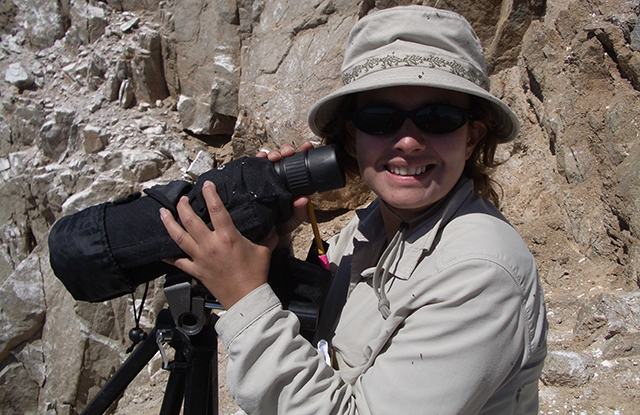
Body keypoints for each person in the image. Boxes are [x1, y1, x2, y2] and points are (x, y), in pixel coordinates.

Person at [159, 5, 547, 415]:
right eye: (380, 118)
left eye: (438, 117)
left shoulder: (479, 274)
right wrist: (275, 249)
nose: (409, 142)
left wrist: (244, 299)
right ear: (352, 135)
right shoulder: (370, 230)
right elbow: (321, 350)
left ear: (472, 137)